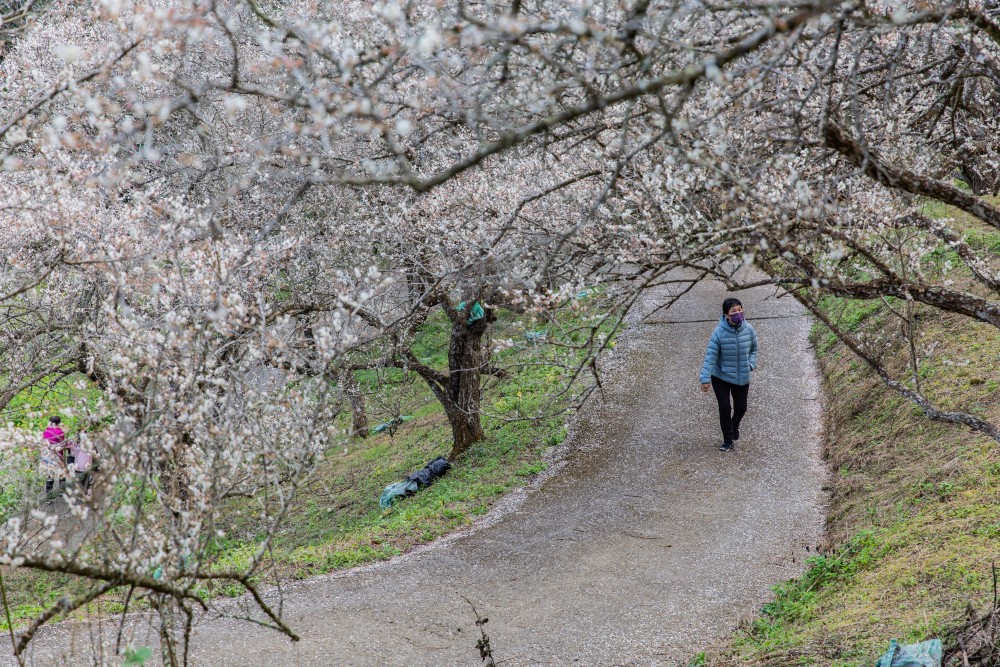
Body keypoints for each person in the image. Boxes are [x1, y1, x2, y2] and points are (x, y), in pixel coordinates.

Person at [699, 297, 758, 452]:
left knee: (741, 408)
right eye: (734, 311)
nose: (738, 313)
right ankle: (728, 439)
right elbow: (710, 356)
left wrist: (751, 364)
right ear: (726, 315)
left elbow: (754, 348)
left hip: (741, 376)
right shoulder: (718, 333)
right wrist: (705, 379)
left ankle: (734, 425)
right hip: (721, 377)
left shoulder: (749, 329)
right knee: (725, 408)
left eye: (740, 309)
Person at [42, 416, 70, 496]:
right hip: (58, 457)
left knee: (50, 474)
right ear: (59, 423)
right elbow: (62, 444)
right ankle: (61, 492)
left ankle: (49, 493)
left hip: (48, 456)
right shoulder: (60, 432)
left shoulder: (46, 431)